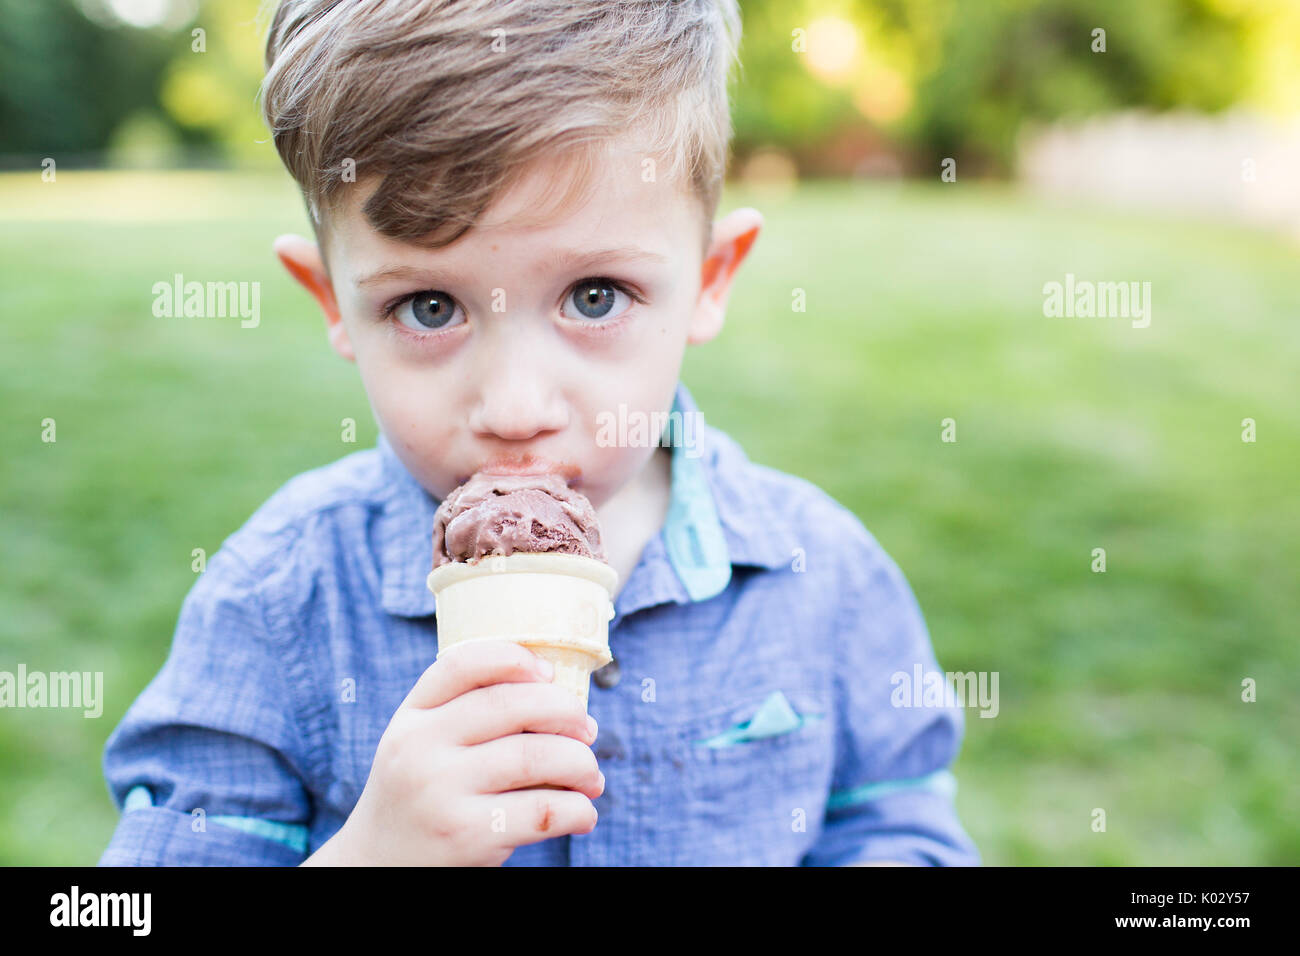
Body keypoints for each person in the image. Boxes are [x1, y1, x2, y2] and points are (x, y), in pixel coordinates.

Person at [98, 0, 979, 866]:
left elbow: (896, 824)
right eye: (428, 306)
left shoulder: (822, 576)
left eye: (595, 296)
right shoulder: (279, 602)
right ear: (332, 303)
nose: (517, 407)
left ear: (711, 280)